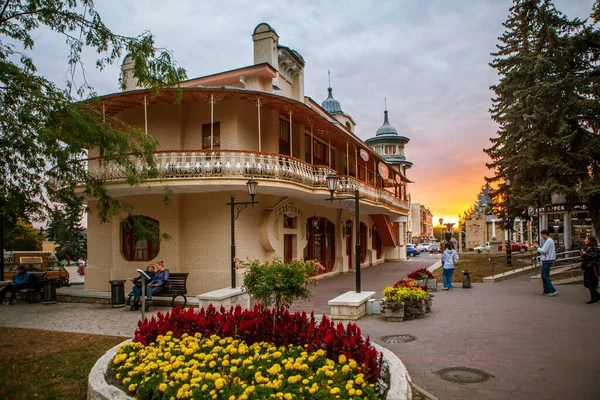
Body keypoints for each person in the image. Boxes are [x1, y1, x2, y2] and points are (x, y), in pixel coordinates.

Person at [533, 229, 557, 297]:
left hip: (547, 260)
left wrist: (537, 247)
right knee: (545, 275)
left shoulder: (549, 241)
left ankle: (552, 290)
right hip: (548, 259)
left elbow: (544, 251)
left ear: (545, 234)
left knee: (544, 275)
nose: (541, 237)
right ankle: (546, 290)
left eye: (542, 235)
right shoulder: (549, 241)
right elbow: (544, 249)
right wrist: (539, 247)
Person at [580, 236, 600, 304]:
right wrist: (582, 254)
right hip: (587, 266)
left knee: (591, 283)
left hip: (592, 267)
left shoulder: (594, 248)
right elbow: (584, 256)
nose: (585, 240)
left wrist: (585, 254)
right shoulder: (586, 248)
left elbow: (594, 256)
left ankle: (595, 298)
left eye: (586, 239)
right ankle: (596, 296)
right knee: (587, 283)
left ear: (590, 240)